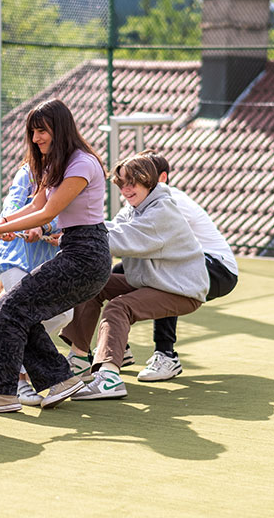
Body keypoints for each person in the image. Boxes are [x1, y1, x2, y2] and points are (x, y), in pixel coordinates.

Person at [0, 98, 112, 414]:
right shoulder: (55, 166)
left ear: (60, 129)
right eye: (33, 132)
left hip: (87, 254)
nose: (36, 138)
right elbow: (32, 205)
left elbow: (47, 213)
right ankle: (59, 379)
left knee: (10, 306)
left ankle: (2, 393)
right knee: (16, 309)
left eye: (41, 131)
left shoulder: (82, 163)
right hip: (77, 252)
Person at [63, 154, 209, 400]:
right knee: (93, 284)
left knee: (119, 307)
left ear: (148, 181)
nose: (126, 189)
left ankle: (108, 378)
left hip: (181, 289)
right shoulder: (135, 208)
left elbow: (122, 239)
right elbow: (110, 227)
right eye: (121, 184)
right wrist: (67, 227)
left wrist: (73, 236)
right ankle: (79, 359)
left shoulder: (162, 210)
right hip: (155, 280)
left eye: (133, 182)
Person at [0, 163, 72, 406]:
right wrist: (6, 226)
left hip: (46, 258)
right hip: (15, 255)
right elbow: (15, 204)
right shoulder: (28, 172)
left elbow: (67, 214)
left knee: (64, 313)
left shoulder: (70, 172)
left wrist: (53, 229)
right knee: (24, 315)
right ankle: (18, 379)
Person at [129, 149, 238, 381]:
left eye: (144, 175)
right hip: (193, 264)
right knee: (118, 274)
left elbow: (143, 240)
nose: (136, 181)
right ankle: (119, 348)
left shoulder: (171, 200)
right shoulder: (141, 201)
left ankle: (166, 355)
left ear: (162, 179)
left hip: (219, 269)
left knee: (166, 279)